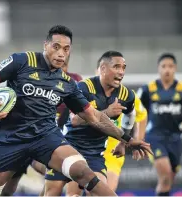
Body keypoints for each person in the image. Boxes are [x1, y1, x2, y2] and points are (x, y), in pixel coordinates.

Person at [0, 25, 152, 197]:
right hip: (11, 138)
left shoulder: (68, 83)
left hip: (46, 138)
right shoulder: (22, 61)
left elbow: (94, 116)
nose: (61, 53)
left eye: (66, 49)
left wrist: (127, 139)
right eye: (56, 47)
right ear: (46, 45)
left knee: (82, 171)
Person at [43, 51, 143, 196]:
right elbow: (75, 120)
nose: (121, 72)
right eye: (116, 67)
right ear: (102, 68)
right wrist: (107, 112)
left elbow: (130, 114)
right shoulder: (84, 88)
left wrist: (123, 142)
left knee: (99, 193)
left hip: (95, 154)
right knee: (54, 192)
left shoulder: (126, 95)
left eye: (123, 68)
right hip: (68, 148)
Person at [137, 53, 182, 196]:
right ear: (158, 69)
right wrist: (139, 137)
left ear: (175, 68)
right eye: (164, 66)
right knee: (165, 174)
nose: (167, 70)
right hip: (154, 137)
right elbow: (136, 113)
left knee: (168, 180)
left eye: (170, 66)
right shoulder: (147, 89)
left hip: (175, 138)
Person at [102, 65, 148, 191]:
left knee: (107, 192)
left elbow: (142, 115)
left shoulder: (127, 95)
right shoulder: (88, 92)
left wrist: (137, 140)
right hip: (87, 150)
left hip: (112, 153)